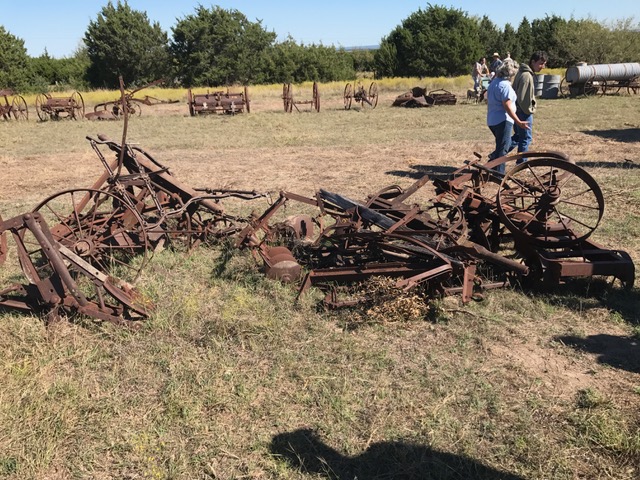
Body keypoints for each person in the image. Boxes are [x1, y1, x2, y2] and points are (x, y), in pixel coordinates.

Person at [486, 58, 530, 174]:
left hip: (492, 120)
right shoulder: (506, 86)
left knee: (502, 145)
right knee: (503, 151)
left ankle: (493, 166)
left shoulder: (493, 83)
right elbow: (507, 106)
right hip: (503, 121)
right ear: (512, 73)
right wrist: (518, 121)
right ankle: (500, 175)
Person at [510, 51, 548, 162]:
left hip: (517, 110)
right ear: (533, 62)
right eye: (541, 63)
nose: (543, 66)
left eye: (544, 63)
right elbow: (523, 98)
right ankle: (522, 164)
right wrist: (529, 110)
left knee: (518, 137)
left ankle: (497, 155)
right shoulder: (527, 76)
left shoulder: (522, 73)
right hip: (523, 112)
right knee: (525, 138)